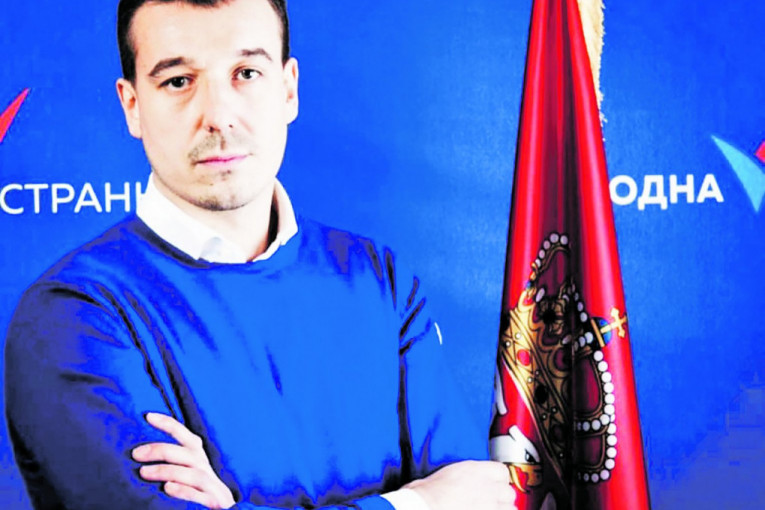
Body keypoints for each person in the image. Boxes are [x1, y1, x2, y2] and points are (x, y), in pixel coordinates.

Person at [4, 1, 517, 509]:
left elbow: (473, 497)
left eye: (246, 73)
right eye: (178, 81)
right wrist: (417, 503)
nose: (218, 116)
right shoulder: (74, 314)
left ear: (288, 90)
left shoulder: (378, 279)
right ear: (132, 105)